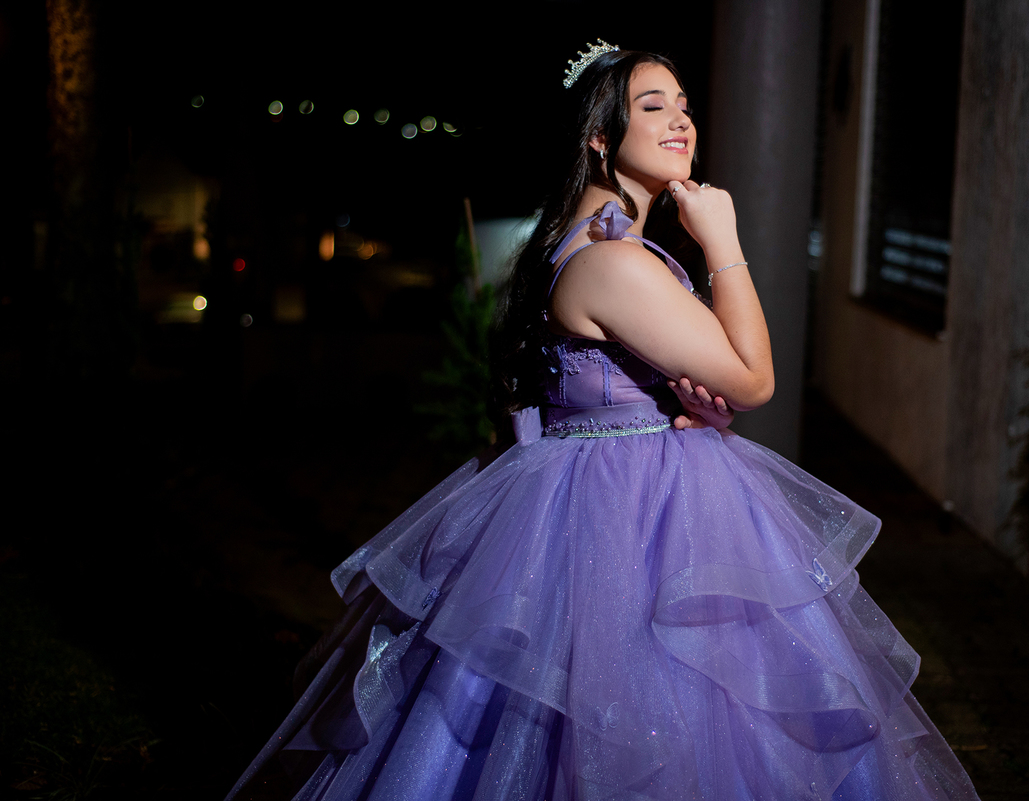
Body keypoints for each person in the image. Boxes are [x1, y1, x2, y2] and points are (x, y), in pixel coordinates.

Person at [227, 43, 981, 801]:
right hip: (627, 522)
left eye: (684, 103)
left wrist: (683, 406)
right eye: (653, 106)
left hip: (619, 488)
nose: (681, 119)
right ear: (599, 136)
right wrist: (723, 238)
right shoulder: (613, 261)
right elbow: (755, 378)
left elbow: (619, 387)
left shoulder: (601, 246)